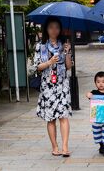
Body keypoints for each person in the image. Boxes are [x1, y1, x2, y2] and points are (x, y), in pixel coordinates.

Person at [33, 17, 72, 157]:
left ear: (60, 29)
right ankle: (55, 147)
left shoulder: (64, 45)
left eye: (57, 27)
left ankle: (65, 147)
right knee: (51, 118)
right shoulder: (40, 46)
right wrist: (49, 62)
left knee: (63, 116)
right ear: (46, 29)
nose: (54, 30)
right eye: (51, 27)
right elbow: (37, 67)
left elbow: (68, 66)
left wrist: (67, 53)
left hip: (62, 85)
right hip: (48, 86)